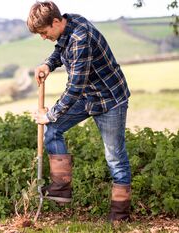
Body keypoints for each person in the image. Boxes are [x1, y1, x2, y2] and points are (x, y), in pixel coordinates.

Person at [27, 1, 131, 222]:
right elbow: (60, 48)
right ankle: (62, 188)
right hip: (88, 96)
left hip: (109, 99)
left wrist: (50, 113)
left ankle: (120, 215)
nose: (43, 37)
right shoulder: (70, 21)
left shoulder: (80, 38)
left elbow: (75, 88)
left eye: (44, 32)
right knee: (53, 129)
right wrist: (48, 64)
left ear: (56, 21)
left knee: (115, 156)